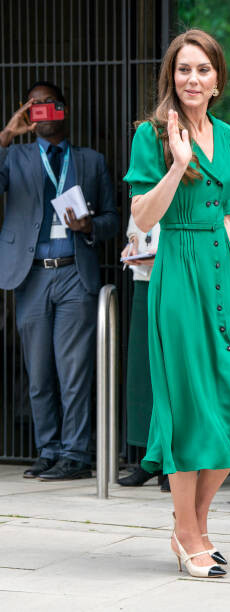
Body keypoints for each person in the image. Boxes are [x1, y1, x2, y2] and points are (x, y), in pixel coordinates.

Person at [123, 29, 230, 578]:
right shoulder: (152, 134)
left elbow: (228, 211)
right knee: (187, 405)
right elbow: (141, 216)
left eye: (203, 69)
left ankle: (193, 525)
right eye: (183, 69)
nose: (192, 79)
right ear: (172, 75)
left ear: (217, 80)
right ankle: (189, 534)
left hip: (221, 274)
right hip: (178, 272)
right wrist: (176, 165)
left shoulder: (223, 133)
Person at [0, 81, 119, 480]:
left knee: (74, 372)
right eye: (34, 105)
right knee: (38, 372)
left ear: (63, 109)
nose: (42, 109)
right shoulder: (14, 157)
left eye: (49, 103)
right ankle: (48, 450)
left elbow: (112, 219)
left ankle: (76, 455)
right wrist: (6, 134)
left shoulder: (90, 160)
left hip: (74, 272)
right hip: (31, 274)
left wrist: (90, 225)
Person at [118, 216, 170, 492]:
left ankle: (175, 462)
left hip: (175, 281)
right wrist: (131, 247)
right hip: (143, 281)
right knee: (144, 375)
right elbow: (135, 231)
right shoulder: (140, 193)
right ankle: (151, 459)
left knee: (174, 376)